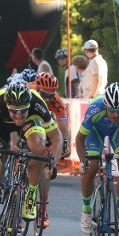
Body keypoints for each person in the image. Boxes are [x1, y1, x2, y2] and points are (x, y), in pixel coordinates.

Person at [0, 82, 63, 236]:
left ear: (29, 105)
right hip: (1, 127)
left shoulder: (37, 103)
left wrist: (52, 163)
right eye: (14, 111)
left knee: (39, 147)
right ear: (7, 106)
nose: (19, 116)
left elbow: (57, 137)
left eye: (22, 110)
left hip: (30, 124)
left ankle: (30, 195)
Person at [76, 83, 119, 233]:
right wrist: (83, 161)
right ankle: (86, 210)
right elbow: (79, 139)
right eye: (112, 110)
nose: (115, 114)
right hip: (96, 131)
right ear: (106, 105)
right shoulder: (95, 109)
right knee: (91, 167)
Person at [27, 72, 72, 227]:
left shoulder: (55, 100)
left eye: (50, 94)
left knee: (47, 165)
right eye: (44, 94)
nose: (47, 98)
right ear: (37, 88)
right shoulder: (29, 91)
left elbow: (63, 126)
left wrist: (66, 143)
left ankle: (42, 208)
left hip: (45, 124)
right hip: (27, 121)